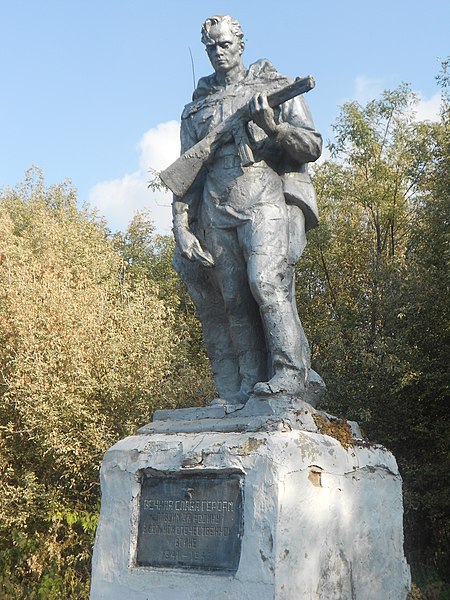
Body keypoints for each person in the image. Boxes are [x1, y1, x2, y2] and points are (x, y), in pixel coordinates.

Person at [172, 15, 323, 404]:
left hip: (264, 199)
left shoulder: (276, 87)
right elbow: (187, 173)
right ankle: (247, 386)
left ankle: (290, 376)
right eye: (211, 47)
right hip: (216, 209)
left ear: (241, 44)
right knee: (234, 300)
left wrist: (273, 129)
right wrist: (181, 226)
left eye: (225, 44)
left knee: (267, 284)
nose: (219, 52)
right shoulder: (197, 109)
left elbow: (312, 147)